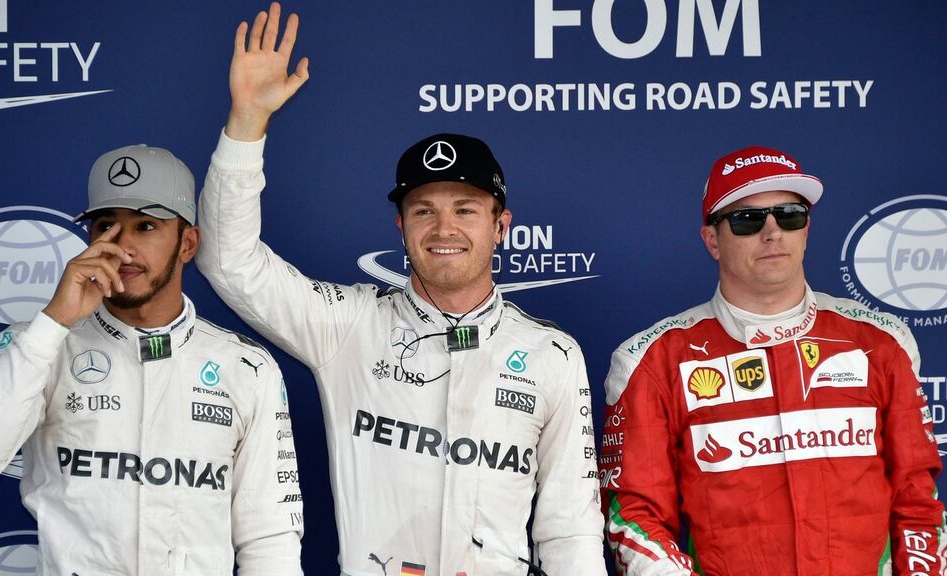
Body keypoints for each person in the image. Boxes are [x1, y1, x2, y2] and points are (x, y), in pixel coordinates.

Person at [195, 4, 606, 575]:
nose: (444, 229)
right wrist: (246, 124)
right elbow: (229, 261)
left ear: (501, 226)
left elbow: (570, 531)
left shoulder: (551, 355)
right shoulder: (348, 325)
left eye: (466, 209)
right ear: (401, 226)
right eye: (423, 210)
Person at [0, 144, 303, 576]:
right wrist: (55, 322)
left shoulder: (246, 367)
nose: (122, 247)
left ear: (187, 244)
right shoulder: (33, 344)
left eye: (145, 226)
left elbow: (270, 540)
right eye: (106, 225)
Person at [599, 145, 945, 575]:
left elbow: (917, 500)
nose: (772, 232)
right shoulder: (652, 360)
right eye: (747, 220)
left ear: (806, 229)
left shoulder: (882, 342)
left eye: (789, 215)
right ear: (712, 240)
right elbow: (636, 514)